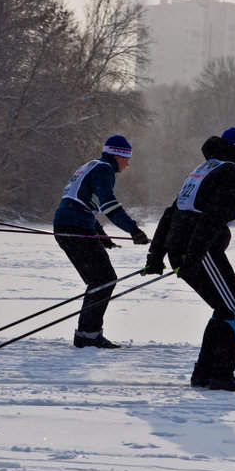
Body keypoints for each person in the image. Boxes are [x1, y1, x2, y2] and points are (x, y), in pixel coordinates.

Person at [144, 127, 235, 391]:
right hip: (199, 251)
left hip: (184, 249)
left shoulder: (205, 168)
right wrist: (193, 257)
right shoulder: (234, 175)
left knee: (225, 309)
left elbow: (171, 212)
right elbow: (211, 220)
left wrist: (156, 255)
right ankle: (219, 375)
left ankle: (205, 374)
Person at [53, 135, 149, 349]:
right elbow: (108, 203)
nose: (128, 163)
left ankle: (88, 333)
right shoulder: (104, 169)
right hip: (75, 227)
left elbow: (80, 200)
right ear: (118, 155)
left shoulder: (92, 166)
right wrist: (133, 229)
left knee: (100, 280)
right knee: (104, 279)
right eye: (127, 158)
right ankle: (88, 335)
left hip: (69, 225)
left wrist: (100, 233)